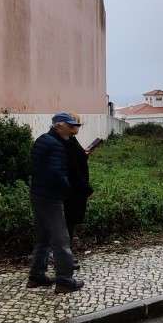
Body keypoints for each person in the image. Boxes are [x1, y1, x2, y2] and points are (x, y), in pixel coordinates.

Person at [27, 112, 82, 293]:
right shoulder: (56, 145)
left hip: (37, 194)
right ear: (58, 125)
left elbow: (35, 168)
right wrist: (69, 191)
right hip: (51, 197)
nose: (73, 128)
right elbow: (56, 173)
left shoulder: (42, 140)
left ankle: (36, 276)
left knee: (42, 238)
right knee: (61, 240)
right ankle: (65, 281)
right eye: (70, 125)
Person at [64, 112, 94, 270]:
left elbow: (77, 160)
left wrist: (84, 155)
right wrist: (88, 189)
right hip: (73, 192)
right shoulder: (68, 142)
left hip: (76, 191)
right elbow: (74, 169)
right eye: (76, 124)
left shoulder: (71, 140)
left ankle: (66, 257)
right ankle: (64, 259)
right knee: (67, 226)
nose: (78, 127)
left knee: (70, 225)